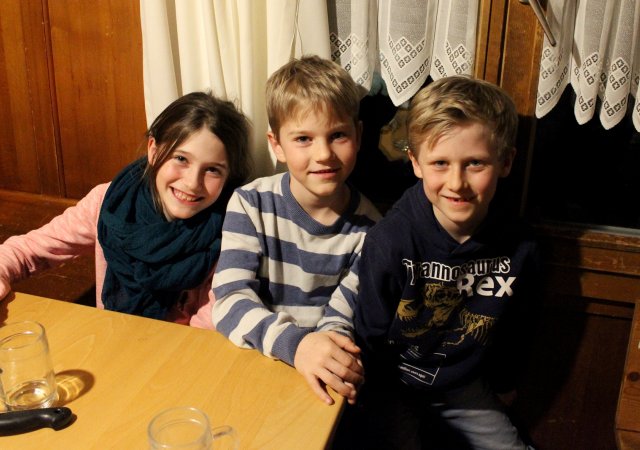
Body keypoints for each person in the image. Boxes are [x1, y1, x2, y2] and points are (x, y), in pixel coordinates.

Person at [350, 76, 540, 449]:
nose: (457, 182)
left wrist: (505, 384)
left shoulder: (521, 246)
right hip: (394, 383)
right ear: (416, 163)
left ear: (505, 162)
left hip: (463, 384)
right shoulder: (390, 240)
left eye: (475, 163)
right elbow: (368, 332)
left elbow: (519, 328)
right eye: (440, 163)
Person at [0, 92, 253, 328]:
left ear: (228, 176)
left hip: (180, 354)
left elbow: (206, 330)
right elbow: (29, 249)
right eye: (181, 159)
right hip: (112, 338)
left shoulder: (233, 229)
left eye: (212, 170)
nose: (192, 183)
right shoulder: (110, 202)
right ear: (153, 150)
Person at [211, 55, 381, 406]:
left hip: (321, 378)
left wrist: (322, 355)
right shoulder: (250, 203)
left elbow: (342, 320)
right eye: (303, 138)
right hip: (258, 358)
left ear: (359, 135)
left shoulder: (372, 231)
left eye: (337, 135)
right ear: (276, 145)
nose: (324, 154)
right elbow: (229, 300)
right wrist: (297, 345)